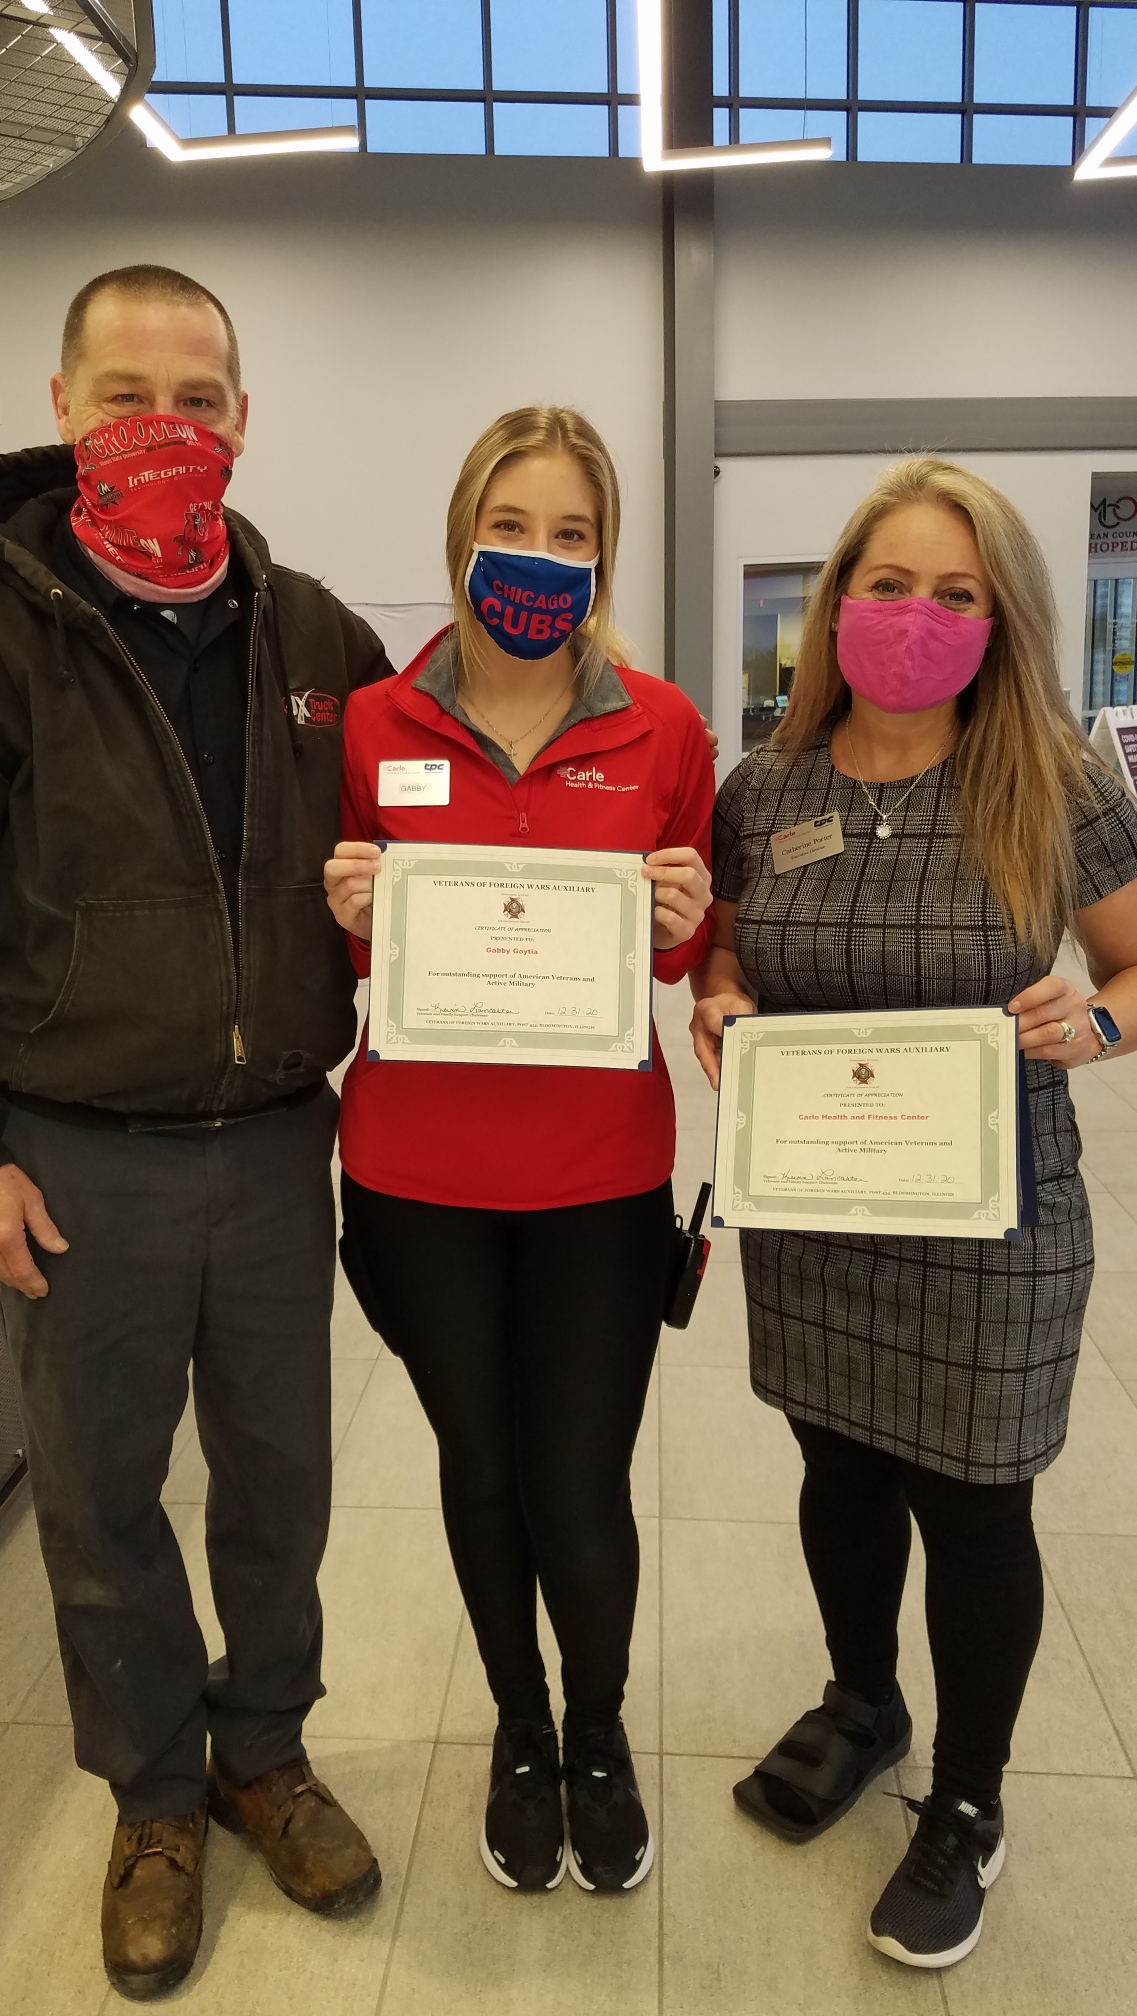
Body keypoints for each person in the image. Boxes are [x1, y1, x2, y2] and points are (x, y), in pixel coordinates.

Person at [0, 264, 391, 2000]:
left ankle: (262, 1753)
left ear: (244, 418)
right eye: (129, 395)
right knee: (99, 1500)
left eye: (200, 398)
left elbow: (421, 861)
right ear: (64, 409)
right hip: (73, 1150)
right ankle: (154, 1795)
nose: (168, 426)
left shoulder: (320, 641)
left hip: (277, 1142)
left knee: (282, 1485)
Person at [690, 457, 1137, 1971]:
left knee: (976, 1506)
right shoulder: (765, 788)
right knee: (838, 1471)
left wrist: (1093, 1023)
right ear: (837, 600)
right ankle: (864, 1703)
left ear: (1002, 620)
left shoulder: (1055, 780)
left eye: (957, 593)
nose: (917, 614)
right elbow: (729, 952)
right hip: (817, 1210)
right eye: (891, 584)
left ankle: (967, 1800)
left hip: (995, 1223)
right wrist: (720, 998)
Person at [323, 407, 714, 1897]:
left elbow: (684, 957)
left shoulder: (662, 728)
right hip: (416, 1177)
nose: (538, 559)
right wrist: (346, 908)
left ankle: (599, 1735)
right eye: (511, 527)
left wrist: (688, 926)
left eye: (571, 534)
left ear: (604, 556)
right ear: (461, 538)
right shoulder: (375, 725)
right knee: (479, 1469)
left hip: (598, 1183)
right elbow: (340, 949)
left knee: (580, 1486)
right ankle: (521, 1728)